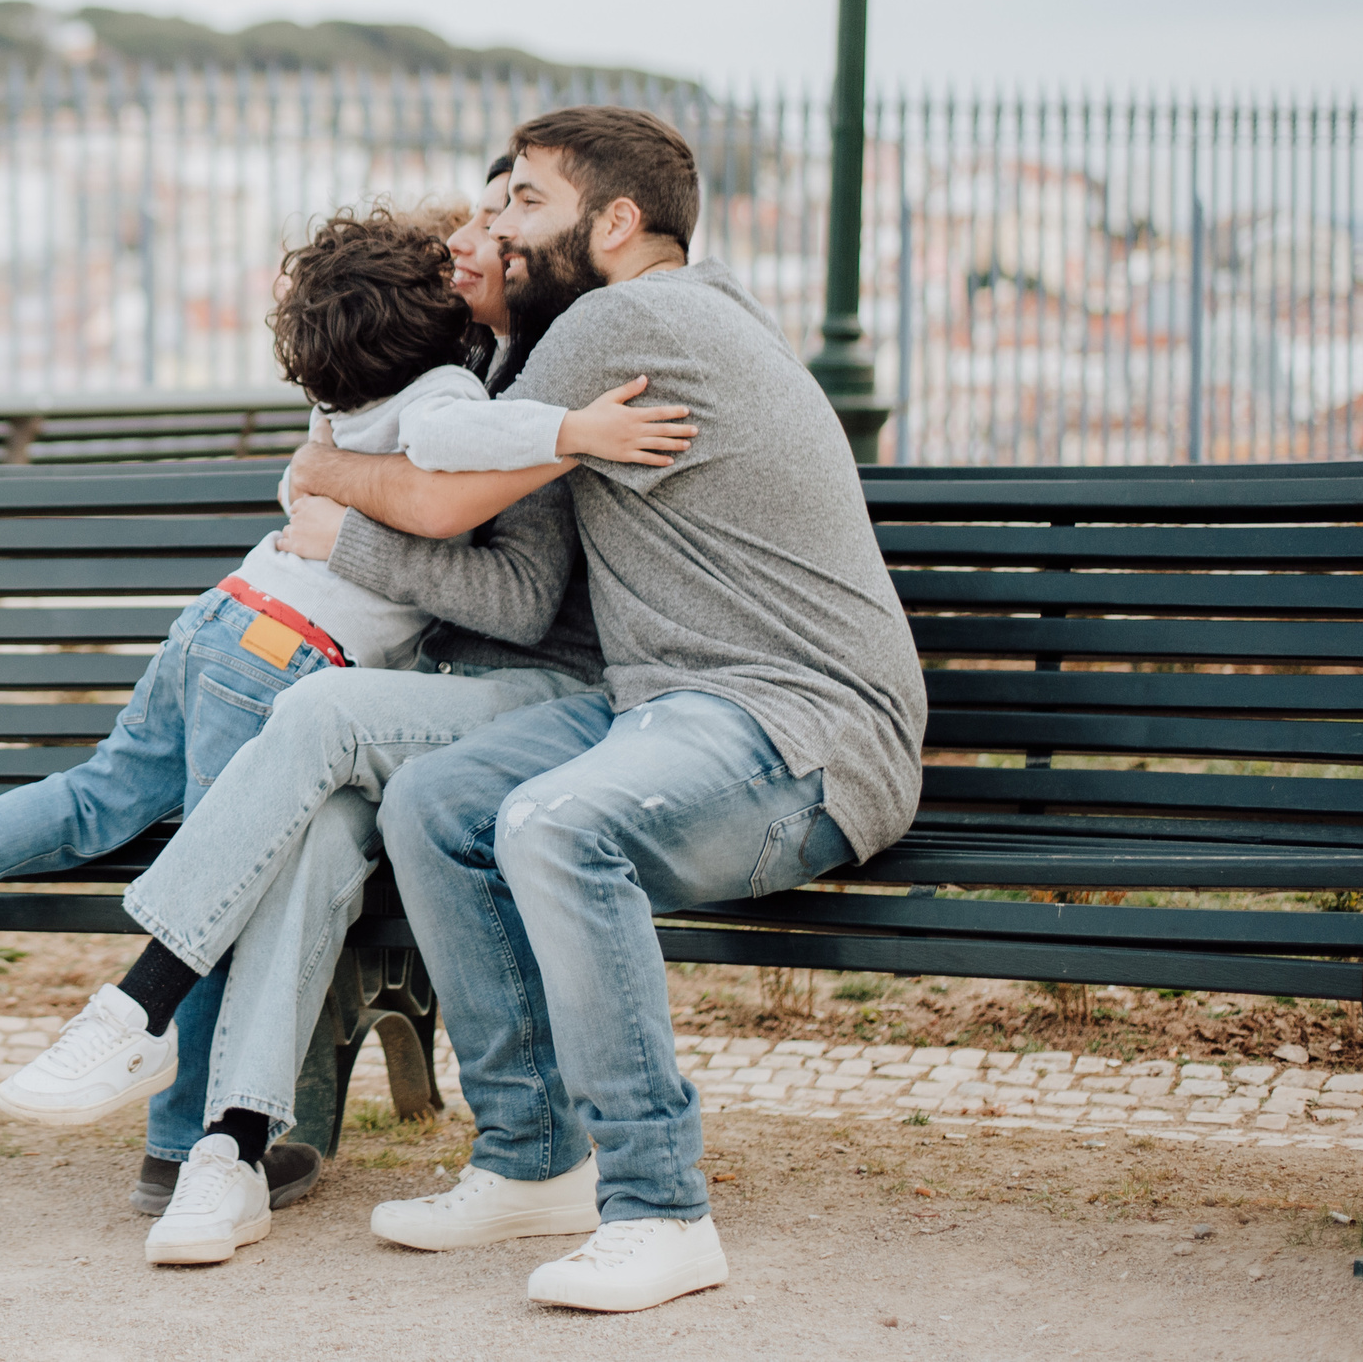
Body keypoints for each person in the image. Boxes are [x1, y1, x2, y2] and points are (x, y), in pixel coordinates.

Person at [0, 198, 686, 1224]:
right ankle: (180, 1148)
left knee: (100, 789)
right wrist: (576, 431)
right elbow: (460, 454)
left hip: (220, 618)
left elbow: (375, 502)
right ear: (438, 312)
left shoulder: (338, 404)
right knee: (229, 884)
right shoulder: (448, 390)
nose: (479, 249)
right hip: (284, 659)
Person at [299, 106, 927, 1315]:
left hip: (799, 730)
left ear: (618, 222)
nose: (496, 227)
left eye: (523, 202)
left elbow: (439, 498)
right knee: (437, 802)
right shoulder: (675, 309)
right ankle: (532, 1158)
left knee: (553, 824)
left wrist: (324, 476)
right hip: (665, 704)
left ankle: (657, 1206)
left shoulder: (621, 317)